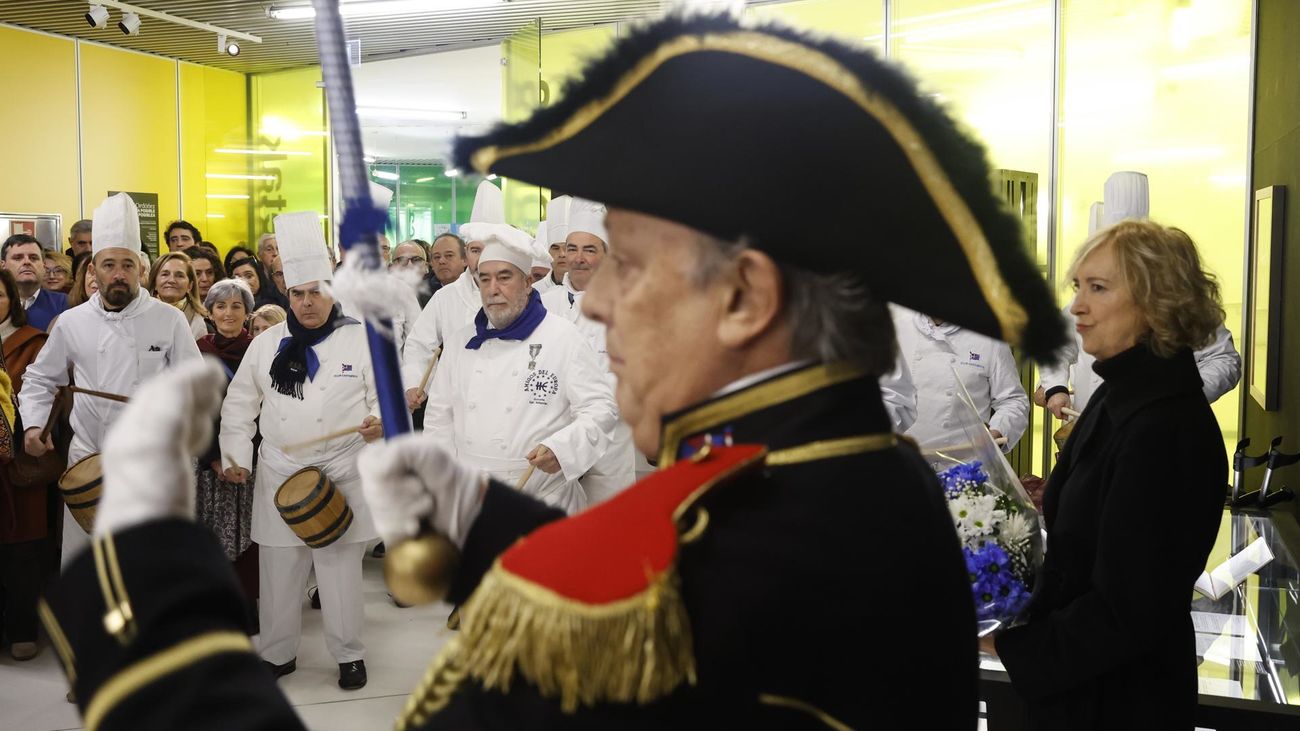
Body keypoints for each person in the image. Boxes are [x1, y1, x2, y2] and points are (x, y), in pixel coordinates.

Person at [36, 14, 1069, 730]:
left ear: (745, 297)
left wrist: (150, 615)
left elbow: (656, 580)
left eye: (623, 258)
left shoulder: (676, 569)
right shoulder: (863, 472)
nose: (599, 297)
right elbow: (686, 570)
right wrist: (482, 508)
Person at [989, 220, 1228, 728]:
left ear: (1156, 302)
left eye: (1097, 288)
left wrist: (1003, 639)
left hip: (1119, 703)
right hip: (1083, 687)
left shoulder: (1166, 424)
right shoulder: (1116, 394)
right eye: (1078, 287)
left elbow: (1126, 611)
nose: (1077, 306)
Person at [219, 211, 380, 692]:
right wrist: (236, 458)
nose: (307, 303)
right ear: (285, 294)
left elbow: (384, 400)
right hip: (280, 469)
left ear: (332, 289)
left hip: (342, 468)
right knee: (279, 571)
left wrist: (381, 425)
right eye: (297, 294)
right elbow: (238, 406)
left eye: (316, 292)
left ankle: (349, 655)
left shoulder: (364, 337)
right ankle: (277, 653)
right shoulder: (267, 343)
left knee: (340, 573)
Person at [18, 193, 202, 567]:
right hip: (87, 460)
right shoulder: (73, 322)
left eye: (127, 265)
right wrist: (34, 425)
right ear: (93, 270)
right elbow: (39, 379)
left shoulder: (167, 319)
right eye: (109, 265)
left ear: (141, 269)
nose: (118, 274)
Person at [425, 223, 617, 513]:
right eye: (484, 279)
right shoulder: (460, 342)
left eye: (504, 278)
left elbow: (600, 409)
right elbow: (439, 418)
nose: (493, 289)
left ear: (528, 282)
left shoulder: (563, 338)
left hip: (541, 503)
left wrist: (562, 450)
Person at [540, 198, 638, 497]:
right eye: (572, 248)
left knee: (608, 528)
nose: (578, 258)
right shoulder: (542, 304)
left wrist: (587, 417)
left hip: (608, 442)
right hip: (550, 437)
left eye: (589, 250)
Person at [402, 181, 502, 413]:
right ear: (467, 254)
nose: (482, 258)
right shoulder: (446, 298)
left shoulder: (523, 298)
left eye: (489, 248)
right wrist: (416, 384)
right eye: (476, 250)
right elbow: (419, 345)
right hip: (455, 403)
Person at [195, 278, 258, 612]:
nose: (229, 313)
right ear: (210, 311)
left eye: (237, 306)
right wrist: (214, 458)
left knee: (249, 534)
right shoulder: (197, 350)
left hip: (250, 455)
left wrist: (242, 456)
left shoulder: (260, 350)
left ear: (247, 313)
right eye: (221, 306)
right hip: (209, 459)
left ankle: (247, 605)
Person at [892, 305, 1030, 452]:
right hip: (903, 461)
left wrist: (998, 431)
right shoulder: (895, 325)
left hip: (964, 464)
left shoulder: (988, 337)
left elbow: (1013, 401)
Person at [0, 268, 49, 661]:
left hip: (17, 462)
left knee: (23, 550)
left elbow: (44, 392)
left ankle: (21, 628)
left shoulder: (32, 342)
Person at [2, 234, 68, 331]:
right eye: (18, 258)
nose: (27, 262)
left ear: (43, 265)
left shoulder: (64, 303)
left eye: (33, 258)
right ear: (3, 266)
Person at [147, 252, 209, 339]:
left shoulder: (197, 322)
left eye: (179, 276)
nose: (171, 280)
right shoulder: (140, 314)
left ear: (190, 286)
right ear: (155, 283)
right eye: (165, 274)